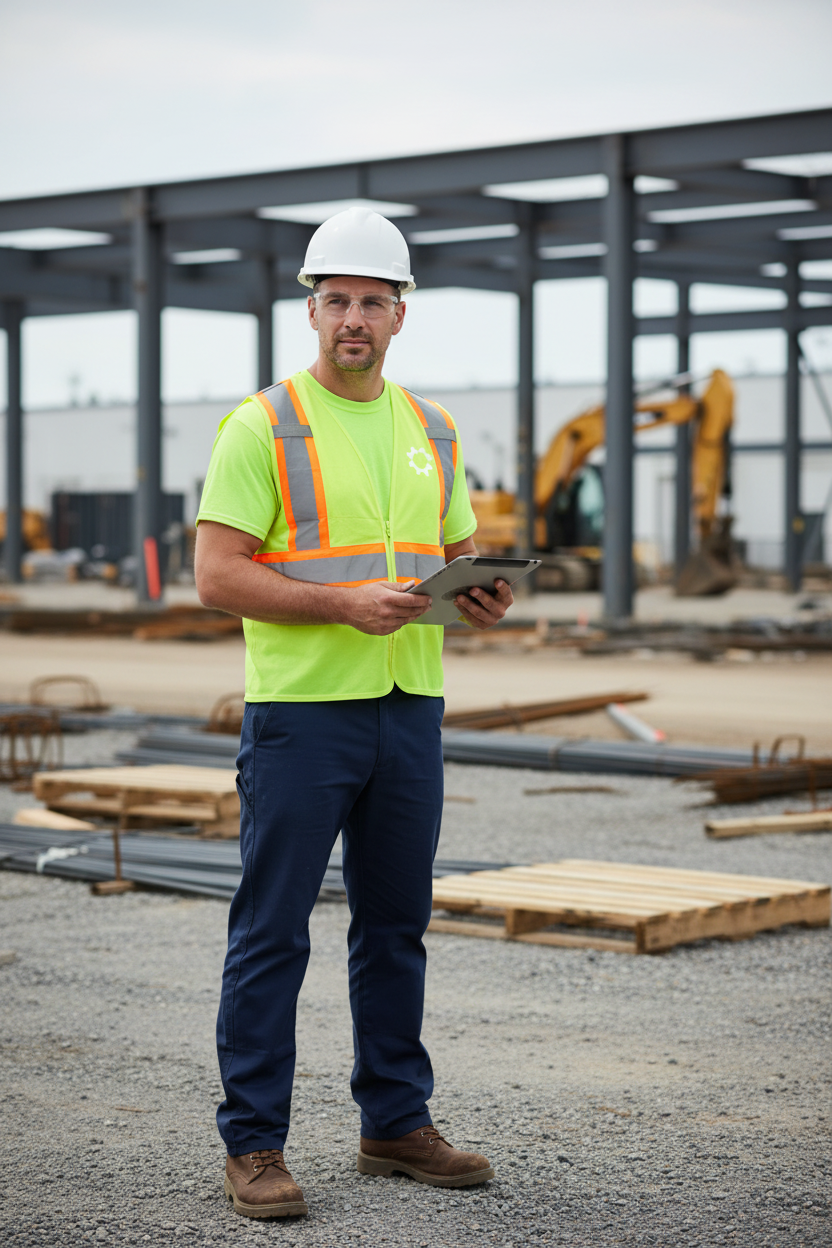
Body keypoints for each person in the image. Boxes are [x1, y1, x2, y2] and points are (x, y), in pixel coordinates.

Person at [194, 206, 514, 1221]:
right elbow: (215, 576)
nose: (353, 319)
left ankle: (394, 1122)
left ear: (399, 314)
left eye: (373, 301)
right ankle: (254, 1144)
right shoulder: (263, 425)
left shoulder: (433, 428)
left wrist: (480, 593)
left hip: (408, 706)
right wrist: (340, 604)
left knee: (395, 925)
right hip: (302, 716)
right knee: (273, 931)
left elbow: (447, 551)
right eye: (336, 299)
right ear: (311, 307)